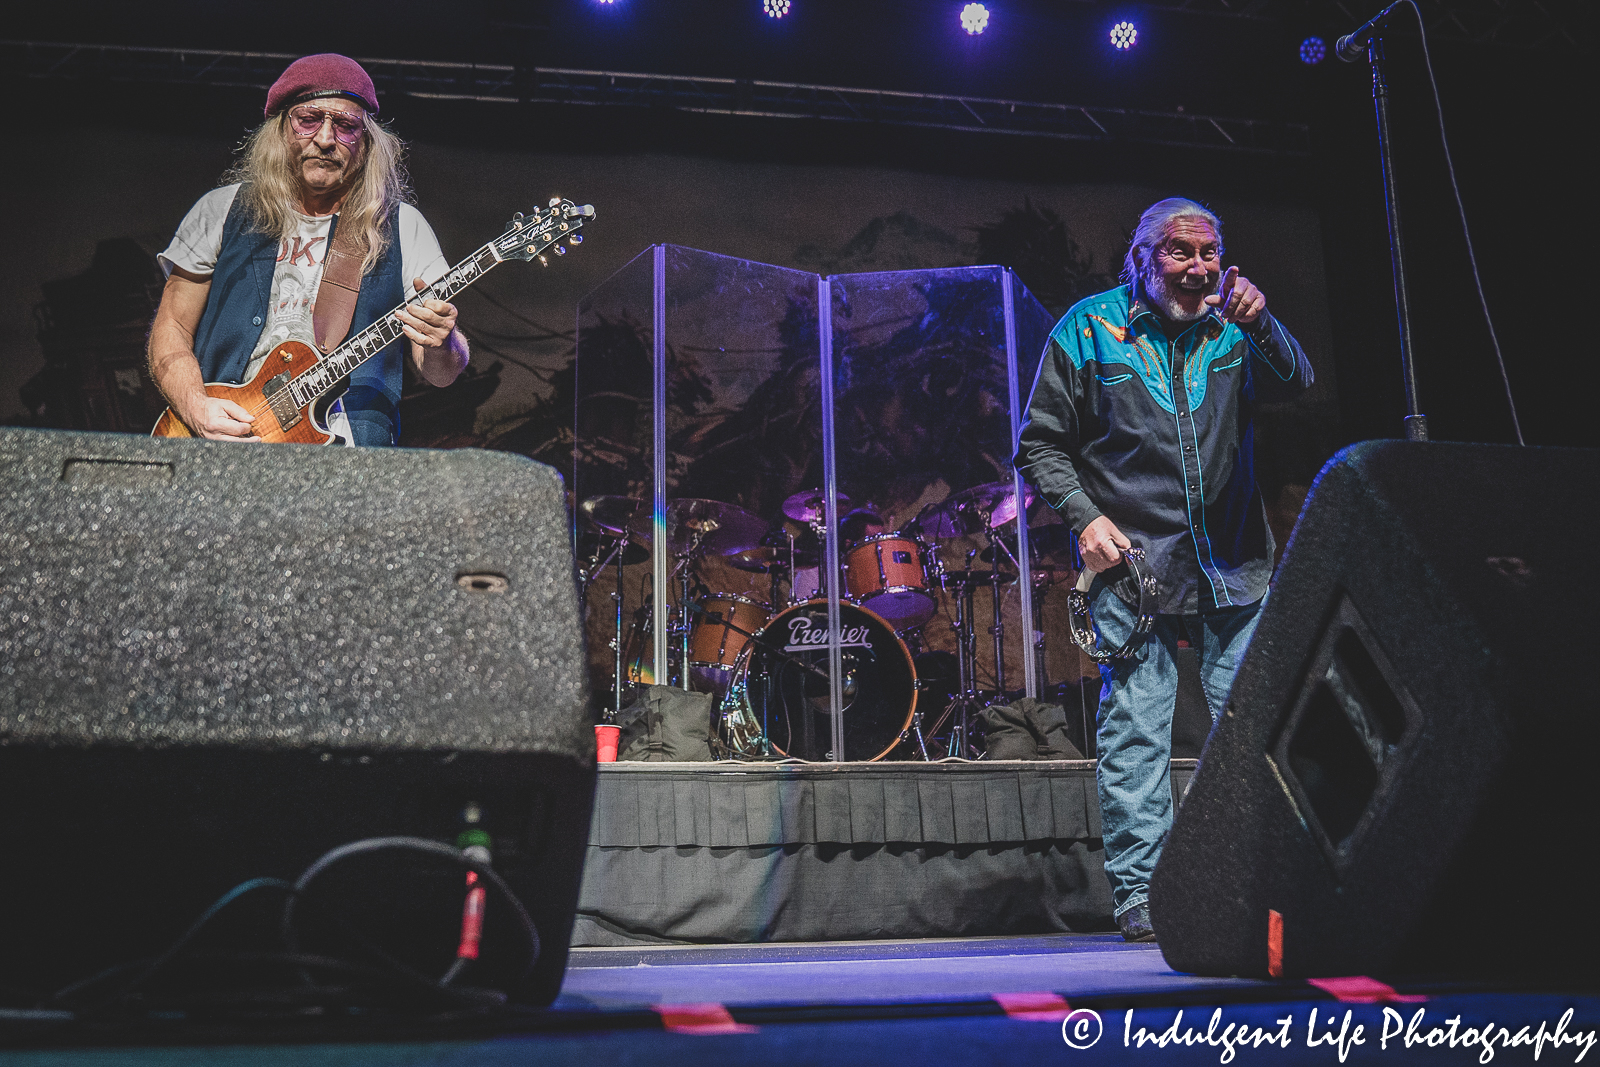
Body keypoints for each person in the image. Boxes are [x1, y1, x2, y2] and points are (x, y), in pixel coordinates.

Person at [1014, 197, 1313, 942]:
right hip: (1133, 570)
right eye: (1181, 253)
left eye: (1209, 252)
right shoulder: (1087, 329)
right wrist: (1085, 518)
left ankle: (1263, 879)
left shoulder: (1235, 327)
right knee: (1138, 731)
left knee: (1260, 724)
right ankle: (1146, 896)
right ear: (1142, 259)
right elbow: (1040, 445)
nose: (1198, 267)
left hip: (1233, 565)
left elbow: (1299, 381)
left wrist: (1263, 322)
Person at [148, 53, 468, 445]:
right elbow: (172, 327)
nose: (325, 139)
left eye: (346, 125)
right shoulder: (222, 210)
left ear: (366, 143)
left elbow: (440, 372)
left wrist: (444, 341)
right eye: (309, 119)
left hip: (346, 460)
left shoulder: (403, 227)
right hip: (222, 441)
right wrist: (196, 407)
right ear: (281, 129)